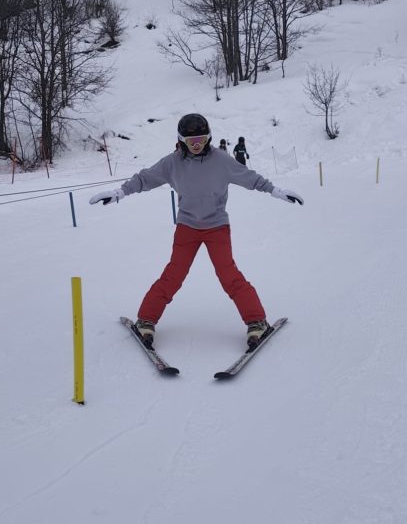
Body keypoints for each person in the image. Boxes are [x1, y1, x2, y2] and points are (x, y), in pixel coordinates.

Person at [90, 113, 303, 350]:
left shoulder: (221, 160)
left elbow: (250, 178)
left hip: (217, 227)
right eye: (191, 141)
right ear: (181, 140)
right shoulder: (172, 163)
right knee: (173, 275)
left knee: (229, 275)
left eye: (201, 139)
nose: (196, 144)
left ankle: (257, 322)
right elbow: (144, 179)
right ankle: (146, 320)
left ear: (208, 138)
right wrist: (120, 192)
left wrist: (276, 191)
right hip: (187, 227)